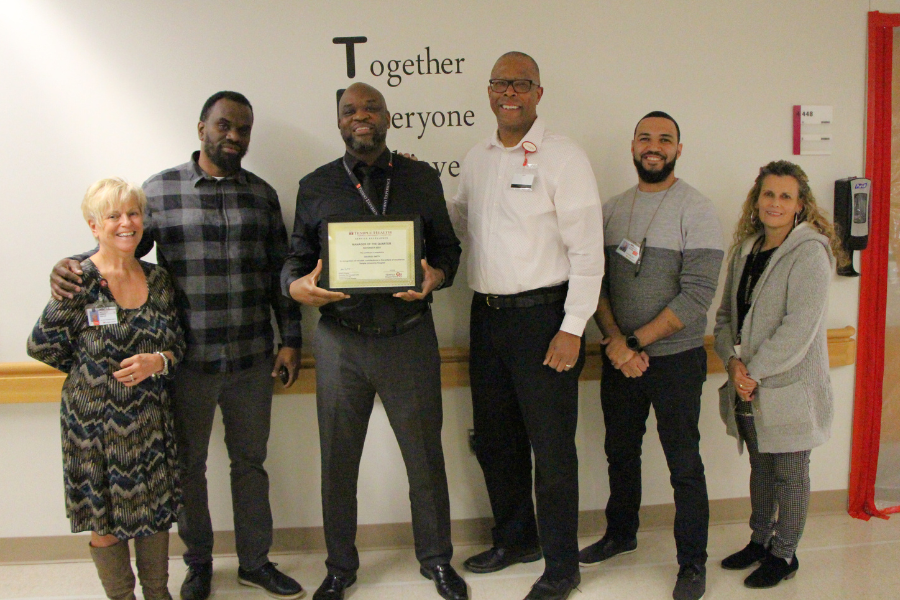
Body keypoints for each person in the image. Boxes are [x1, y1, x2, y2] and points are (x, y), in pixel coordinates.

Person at [49, 92, 304, 600]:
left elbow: (282, 273)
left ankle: (255, 561)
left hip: (253, 358)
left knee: (250, 464)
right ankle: (200, 563)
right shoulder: (160, 192)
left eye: (243, 129)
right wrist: (71, 266)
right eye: (224, 125)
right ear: (201, 128)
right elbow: (121, 250)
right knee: (188, 470)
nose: (234, 136)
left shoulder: (263, 195)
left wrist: (291, 341)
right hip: (185, 363)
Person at [282, 82, 466, 600]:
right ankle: (340, 567)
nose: (360, 116)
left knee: (425, 459)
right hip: (340, 343)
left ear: (387, 116)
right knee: (338, 463)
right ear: (338, 122)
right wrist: (296, 287)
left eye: (370, 108)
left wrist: (436, 277)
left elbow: (449, 251)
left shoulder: (421, 178)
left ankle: (437, 562)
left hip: (409, 339)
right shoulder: (316, 185)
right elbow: (296, 258)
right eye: (349, 110)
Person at [448, 52, 604, 600]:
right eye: (500, 83)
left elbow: (588, 251)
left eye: (520, 83)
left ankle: (562, 565)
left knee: (553, 448)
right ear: (489, 92)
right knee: (495, 439)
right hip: (486, 318)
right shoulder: (477, 156)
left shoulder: (564, 157)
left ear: (539, 92)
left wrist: (574, 326)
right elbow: (460, 224)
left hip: (546, 319)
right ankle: (516, 540)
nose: (508, 92)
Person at [579, 112, 723, 600]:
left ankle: (692, 564)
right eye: (645, 138)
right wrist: (616, 342)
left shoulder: (697, 209)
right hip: (621, 359)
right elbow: (594, 283)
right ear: (633, 146)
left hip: (676, 361)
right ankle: (621, 534)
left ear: (679, 149)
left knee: (684, 463)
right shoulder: (612, 209)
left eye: (665, 139)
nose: (653, 145)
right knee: (620, 453)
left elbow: (697, 295)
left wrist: (634, 343)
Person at [29, 178, 184, 600]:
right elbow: (40, 344)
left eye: (132, 213)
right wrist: (90, 371)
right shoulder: (79, 281)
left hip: (150, 419)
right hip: (92, 426)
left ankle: (158, 593)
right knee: (104, 520)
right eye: (113, 215)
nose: (125, 223)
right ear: (94, 226)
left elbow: (178, 345)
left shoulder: (160, 280)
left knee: (155, 514)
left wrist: (159, 360)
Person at [713, 160, 839, 589]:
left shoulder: (810, 252)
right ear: (757, 199)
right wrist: (733, 363)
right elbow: (727, 316)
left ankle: (785, 553)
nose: (775, 203)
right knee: (761, 470)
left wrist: (754, 372)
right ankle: (760, 540)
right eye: (769, 194)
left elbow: (799, 327)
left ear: (800, 205)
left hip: (787, 388)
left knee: (790, 472)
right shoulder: (746, 249)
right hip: (746, 384)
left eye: (786, 196)